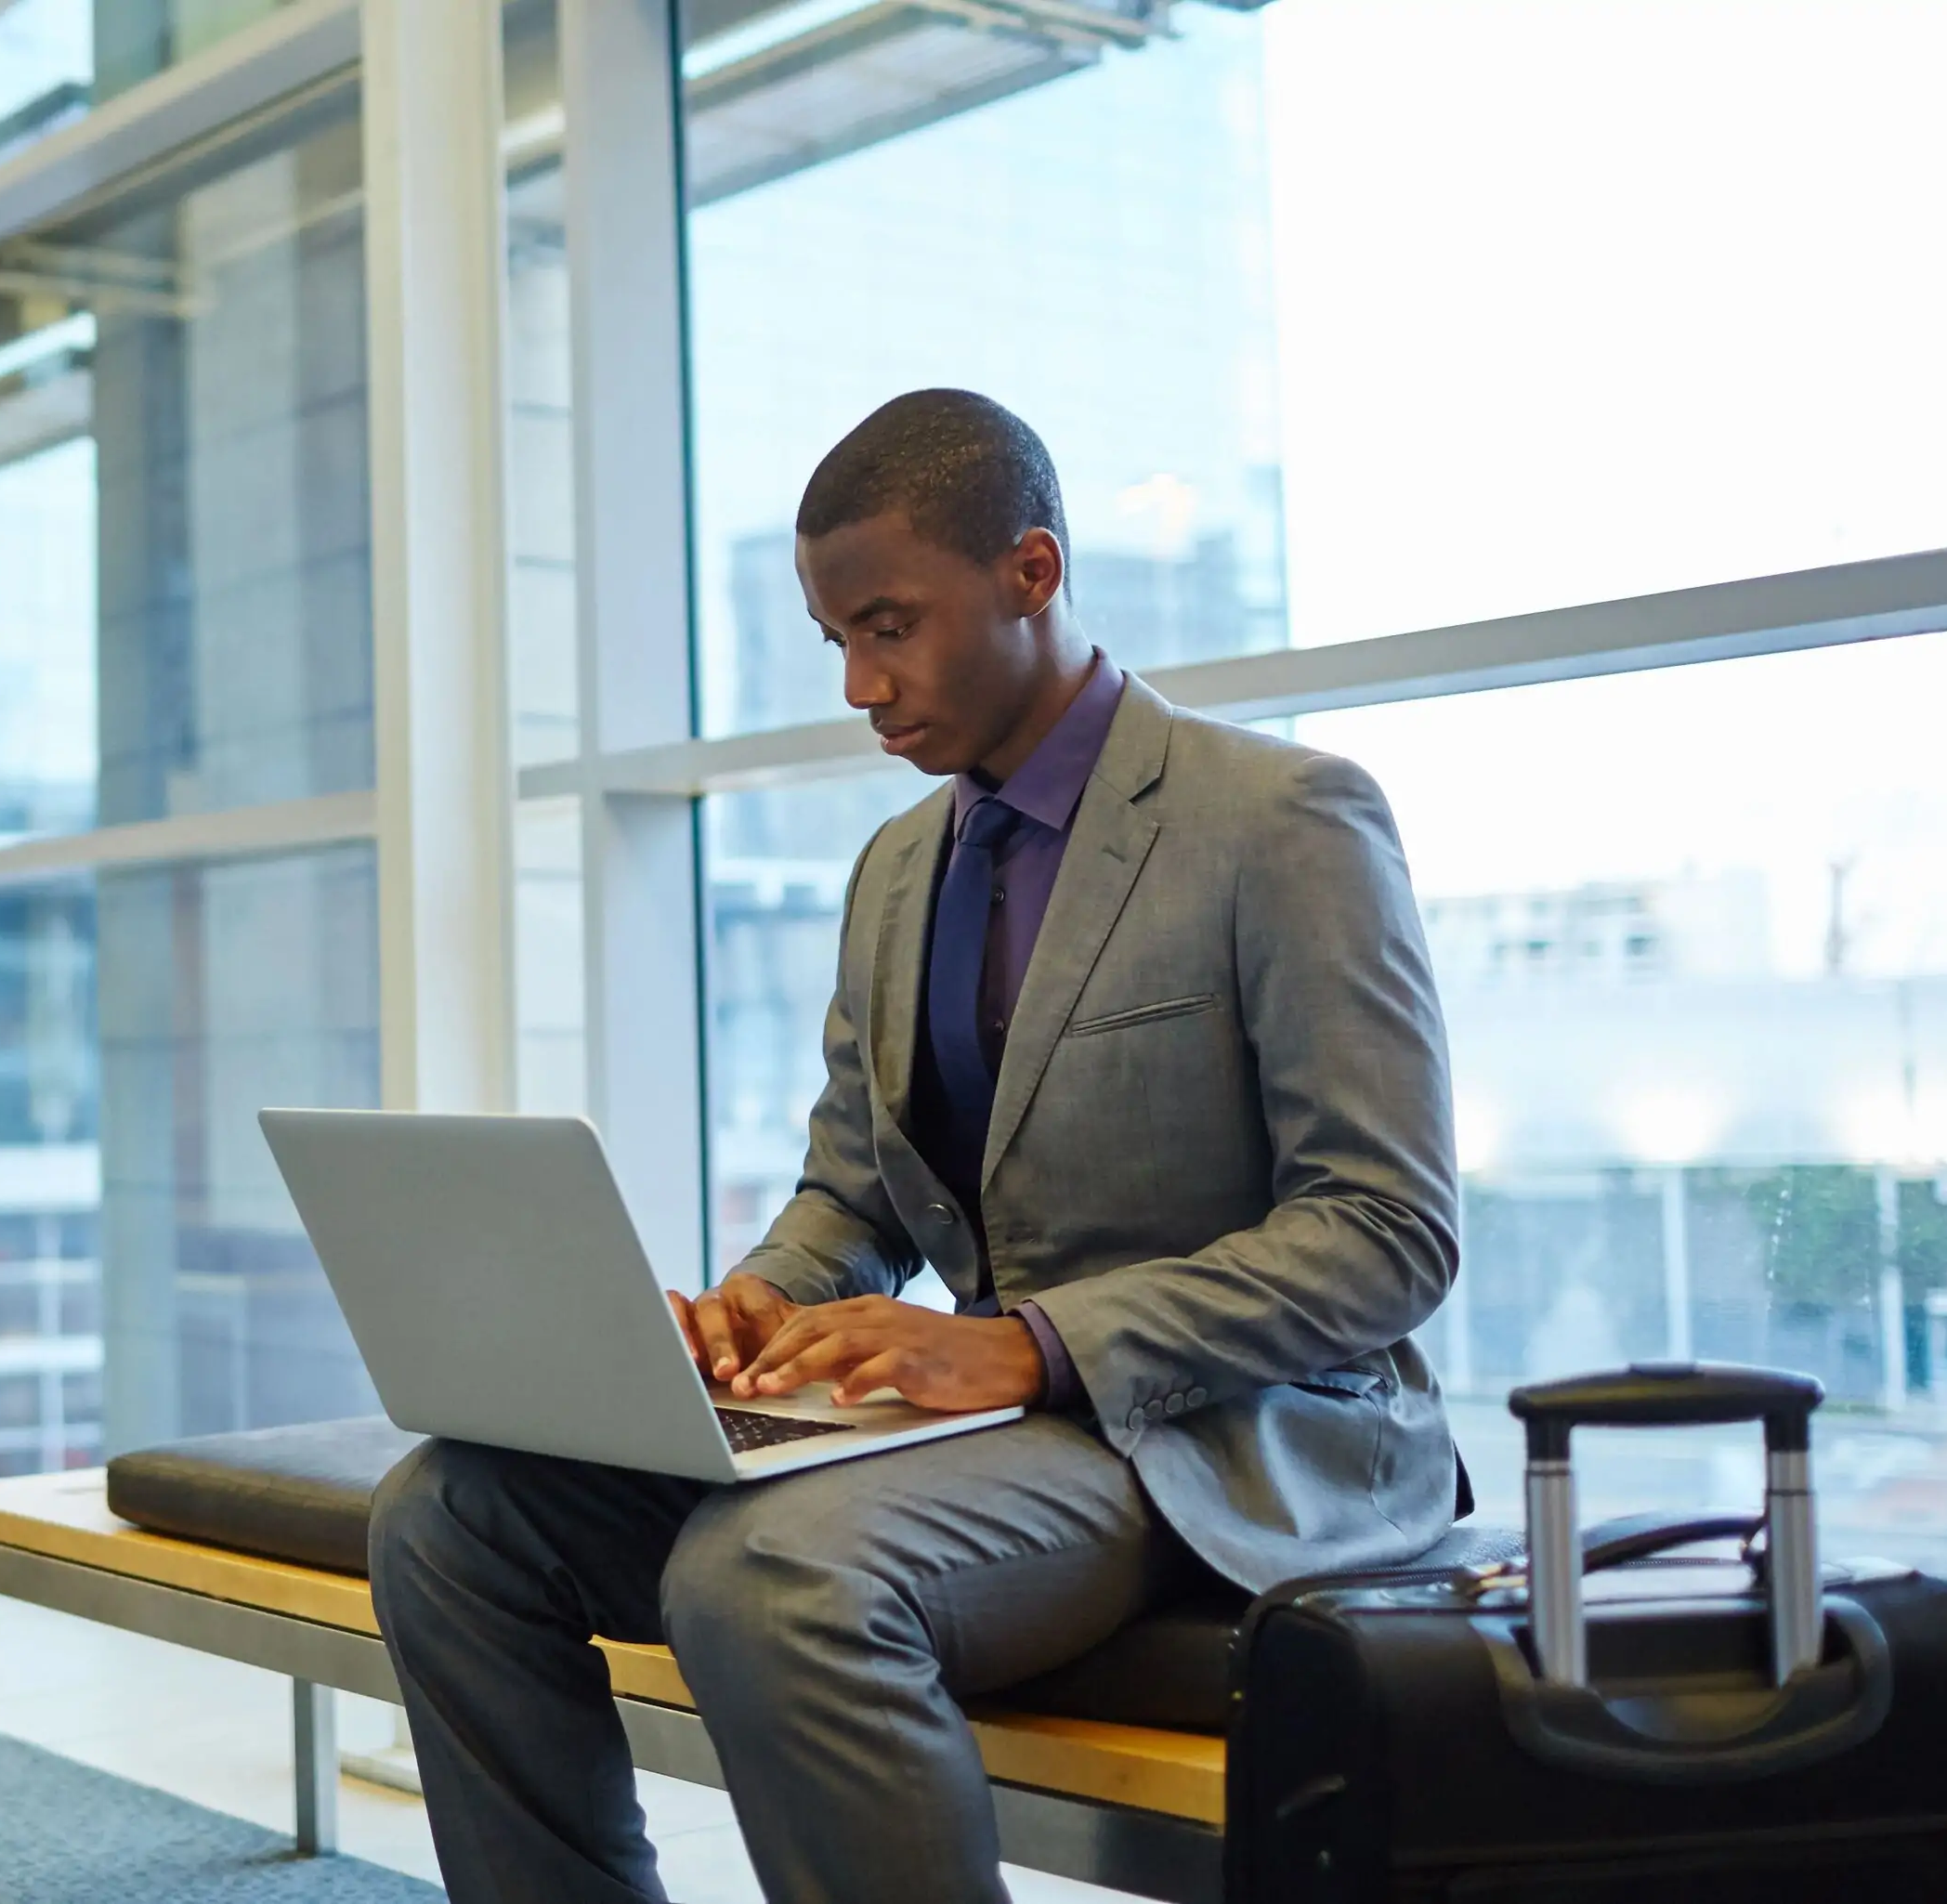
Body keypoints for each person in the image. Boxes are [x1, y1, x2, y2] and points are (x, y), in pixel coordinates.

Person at [368, 388, 1463, 1904]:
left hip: (1232, 1437)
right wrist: (761, 1299)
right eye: (837, 641)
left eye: (891, 625)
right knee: (451, 1514)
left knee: (764, 1574)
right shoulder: (897, 871)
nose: (864, 684)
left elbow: (1388, 1230)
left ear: (1031, 570)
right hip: (981, 1435)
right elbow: (852, 1192)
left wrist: (1029, 1346)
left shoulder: (1280, 819)